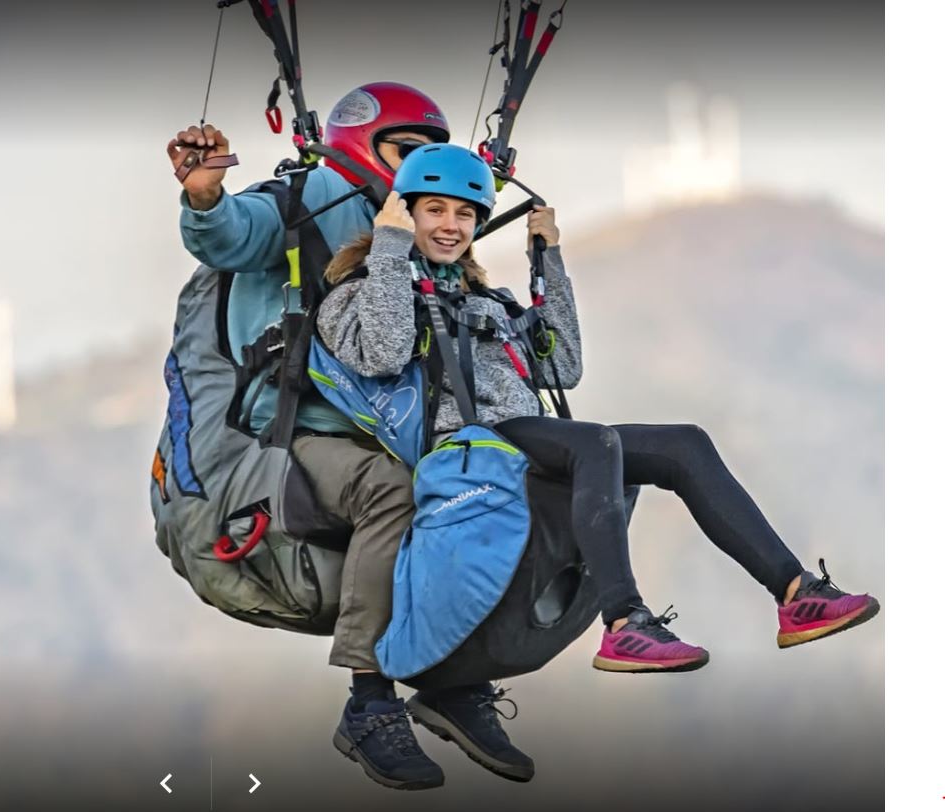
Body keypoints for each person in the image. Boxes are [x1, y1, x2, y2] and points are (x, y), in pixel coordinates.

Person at [316, 143, 881, 682]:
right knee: (594, 442)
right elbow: (383, 353)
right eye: (434, 210)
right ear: (404, 212)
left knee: (684, 444)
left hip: (523, 435)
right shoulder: (356, 294)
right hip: (467, 444)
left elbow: (563, 367)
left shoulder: (484, 300)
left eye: (465, 214)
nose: (450, 225)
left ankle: (796, 594)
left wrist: (548, 261)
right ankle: (625, 623)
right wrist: (390, 247)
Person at [167, 84, 534, 790]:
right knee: (393, 491)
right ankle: (369, 702)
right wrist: (205, 195)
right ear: (364, 146)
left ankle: (455, 680)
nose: (419, 166)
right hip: (301, 429)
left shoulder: (419, 222)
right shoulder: (309, 198)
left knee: (478, 492)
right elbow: (231, 234)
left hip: (396, 429)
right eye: (406, 150)